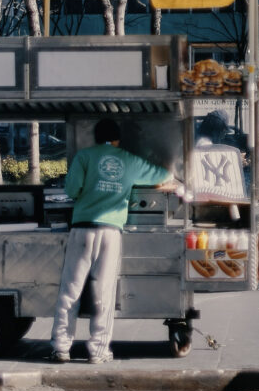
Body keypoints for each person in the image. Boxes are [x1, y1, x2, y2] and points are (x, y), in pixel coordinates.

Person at [50, 119, 179, 365]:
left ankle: (61, 348)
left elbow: (72, 190)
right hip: (110, 232)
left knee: (70, 291)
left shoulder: (84, 156)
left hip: (82, 230)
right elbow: (164, 174)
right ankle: (98, 352)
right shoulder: (130, 160)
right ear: (118, 139)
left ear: (97, 138)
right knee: (103, 294)